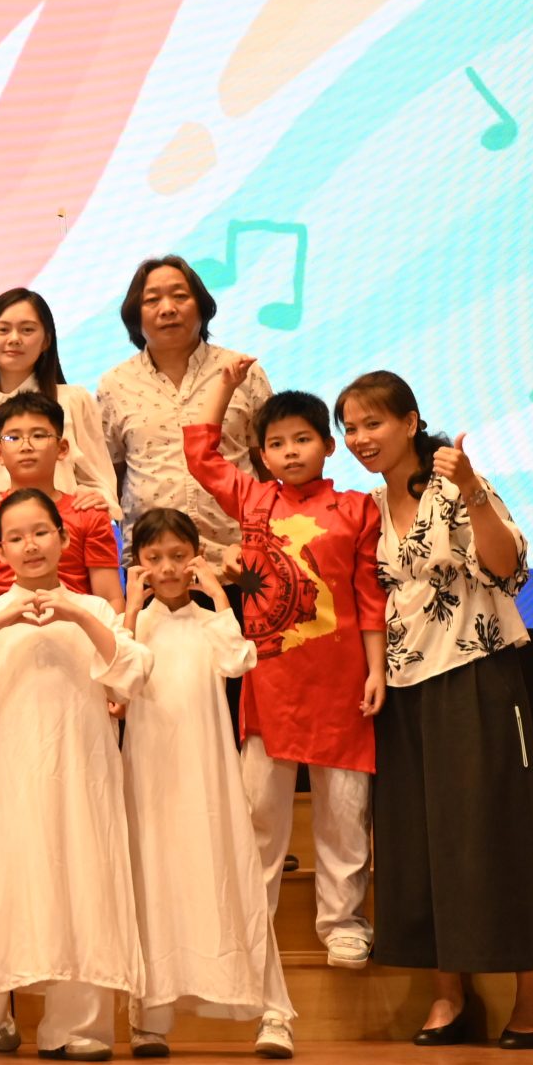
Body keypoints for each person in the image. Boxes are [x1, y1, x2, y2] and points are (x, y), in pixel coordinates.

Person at [336, 372, 533, 1046]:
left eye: (373, 423)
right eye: (350, 428)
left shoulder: (453, 488)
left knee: (501, 829)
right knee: (418, 837)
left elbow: (506, 569)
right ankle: (449, 993)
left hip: (474, 673)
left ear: (411, 422)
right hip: (402, 687)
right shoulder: (367, 508)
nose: (360, 438)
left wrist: (471, 486)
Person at [0, 490, 151, 1062]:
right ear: (0, 550)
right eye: (15, 538)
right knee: (15, 876)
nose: (30, 546)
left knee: (84, 876)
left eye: (40, 533)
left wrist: (77, 614)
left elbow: (132, 670)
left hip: (84, 772)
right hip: (15, 774)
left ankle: (77, 1026)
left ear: (63, 537)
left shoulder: (93, 608)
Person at [186, 361, 386, 968]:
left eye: (303, 439)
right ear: (262, 454)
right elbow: (200, 454)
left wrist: (376, 670)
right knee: (259, 813)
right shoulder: (254, 499)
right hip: (270, 683)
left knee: (344, 812)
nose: (290, 452)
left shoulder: (358, 509)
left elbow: (370, 598)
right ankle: (252, 924)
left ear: (329, 446)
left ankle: (343, 922)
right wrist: (224, 385)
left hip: (342, 683)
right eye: (276, 443)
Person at [120, 509, 295, 1060]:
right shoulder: (133, 624)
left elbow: (238, 661)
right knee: (152, 877)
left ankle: (273, 1013)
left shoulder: (209, 620)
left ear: (195, 556)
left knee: (229, 872)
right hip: (150, 773)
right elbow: (117, 682)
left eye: (178, 556)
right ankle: (149, 1016)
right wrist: (130, 609)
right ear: (138, 563)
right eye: (154, 558)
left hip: (208, 770)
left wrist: (220, 597)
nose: (167, 568)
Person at [97, 254, 271, 547]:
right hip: (153, 558)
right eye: (152, 300)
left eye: (180, 296)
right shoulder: (114, 384)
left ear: (202, 307)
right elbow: (111, 475)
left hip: (240, 551)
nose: (168, 309)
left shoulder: (242, 371)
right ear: (134, 316)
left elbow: (267, 462)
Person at [0, 393, 125, 618]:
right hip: (2, 632)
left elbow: (110, 599)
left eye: (39, 435)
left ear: (62, 448)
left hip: (77, 630)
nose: (26, 446)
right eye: (13, 438)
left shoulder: (88, 513)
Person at [0, 288, 115, 512]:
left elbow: (101, 482)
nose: (14, 339)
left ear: (46, 340)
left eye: (27, 330)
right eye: (2, 329)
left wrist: (93, 501)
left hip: (64, 529)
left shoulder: (73, 400)